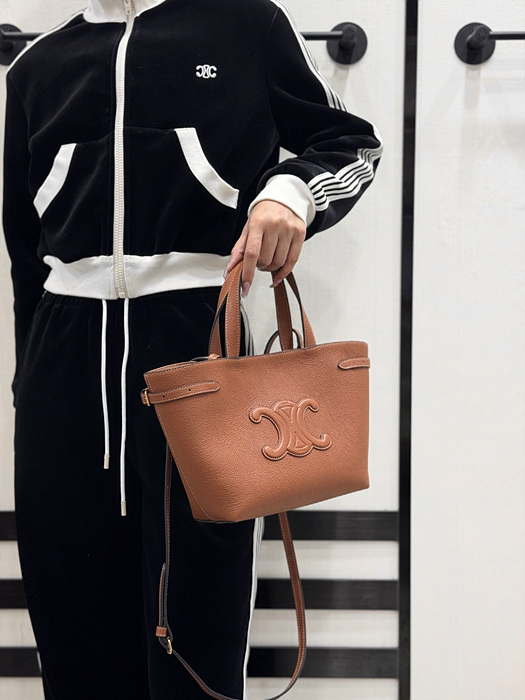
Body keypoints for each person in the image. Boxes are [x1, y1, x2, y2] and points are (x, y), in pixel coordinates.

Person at [2, 0, 382, 698]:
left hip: (195, 339)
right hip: (62, 360)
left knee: (199, 623)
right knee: (69, 617)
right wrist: (30, 378)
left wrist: (289, 193)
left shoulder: (245, 24)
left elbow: (352, 144)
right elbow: (23, 247)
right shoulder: (36, 66)